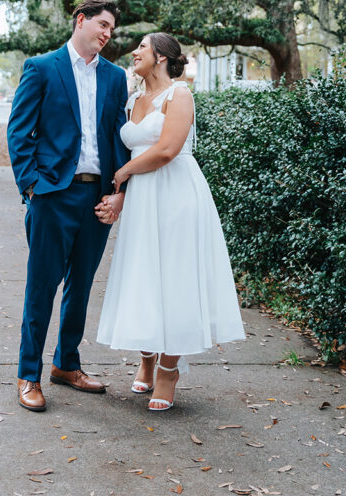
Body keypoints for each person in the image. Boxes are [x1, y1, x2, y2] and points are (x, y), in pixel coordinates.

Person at [96, 32, 245, 411]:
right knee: (144, 276)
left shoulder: (180, 95)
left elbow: (166, 150)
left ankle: (168, 369)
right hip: (142, 200)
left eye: (142, 48)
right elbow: (131, 149)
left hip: (176, 195)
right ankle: (146, 358)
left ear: (161, 56)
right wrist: (121, 193)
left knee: (176, 279)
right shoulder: (133, 100)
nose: (135, 52)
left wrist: (123, 173)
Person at [7, 0, 129, 412]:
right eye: (103, 25)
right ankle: (28, 374)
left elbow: (117, 137)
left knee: (81, 287)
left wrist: (119, 192)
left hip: (97, 198)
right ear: (81, 20)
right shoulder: (42, 68)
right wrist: (32, 187)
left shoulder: (115, 77)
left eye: (111, 29)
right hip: (53, 196)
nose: (107, 33)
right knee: (42, 286)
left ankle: (67, 365)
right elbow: (19, 132)